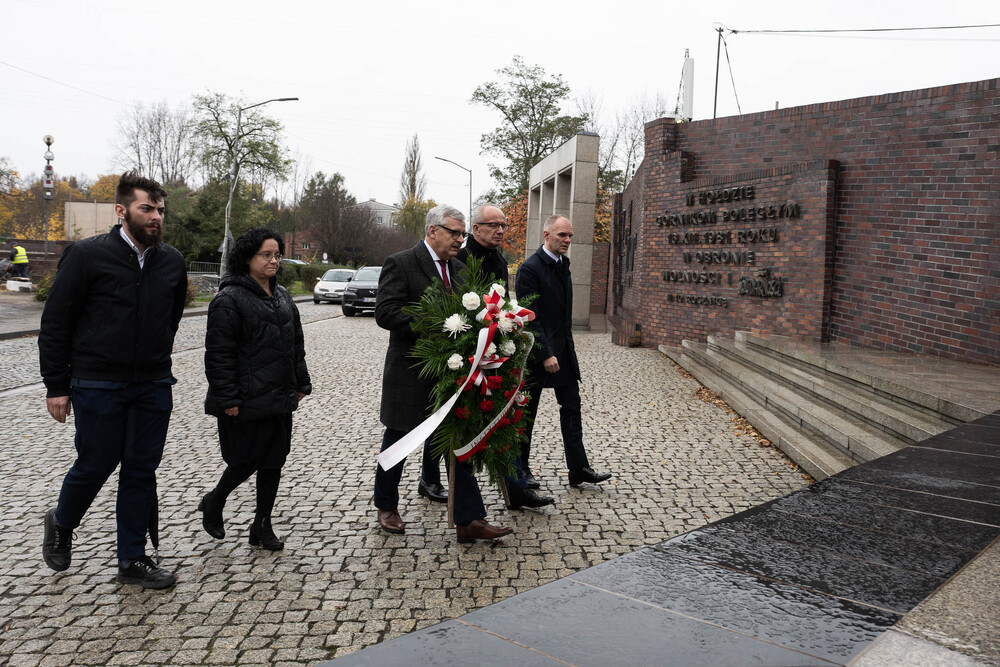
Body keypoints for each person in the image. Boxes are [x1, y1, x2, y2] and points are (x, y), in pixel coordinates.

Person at [38, 171, 187, 589]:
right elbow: (56, 323)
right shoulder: (87, 255)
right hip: (98, 383)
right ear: (121, 211)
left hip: (153, 385)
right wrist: (57, 386)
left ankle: (132, 559)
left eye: (160, 210)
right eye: (147, 208)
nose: (156, 216)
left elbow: (170, 319)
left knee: (141, 470)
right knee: (96, 463)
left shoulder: (171, 261)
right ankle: (62, 520)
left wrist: (155, 358)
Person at [374, 204, 513, 542]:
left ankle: (469, 519)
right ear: (433, 230)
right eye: (454, 232)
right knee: (400, 438)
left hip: (454, 375)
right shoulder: (402, 262)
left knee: (458, 442)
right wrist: (440, 324)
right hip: (412, 371)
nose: (459, 239)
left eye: (463, 233)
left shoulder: (462, 270)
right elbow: (386, 312)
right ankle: (386, 505)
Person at [200, 228, 311, 552]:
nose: (274, 260)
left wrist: (301, 382)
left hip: (278, 394)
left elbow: (296, 343)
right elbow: (218, 354)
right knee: (244, 459)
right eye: (267, 255)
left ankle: (262, 524)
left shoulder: (283, 295)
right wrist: (228, 398)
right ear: (248, 257)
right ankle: (214, 500)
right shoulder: (228, 299)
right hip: (245, 398)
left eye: (277, 255)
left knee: (274, 460)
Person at [457, 204, 554, 511]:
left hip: (497, 349)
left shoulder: (499, 259)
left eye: (503, 225)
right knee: (456, 421)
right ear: (476, 228)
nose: (500, 230)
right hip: (466, 351)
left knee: (505, 417)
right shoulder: (460, 259)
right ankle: (430, 477)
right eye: (493, 225)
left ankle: (516, 488)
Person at [515, 214, 612, 488]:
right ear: (547, 235)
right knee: (527, 413)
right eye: (561, 235)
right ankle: (522, 470)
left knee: (572, 407)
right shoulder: (530, 269)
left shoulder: (563, 264)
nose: (567, 240)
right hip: (537, 355)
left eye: (569, 235)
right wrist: (545, 353)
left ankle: (578, 468)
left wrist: (562, 351)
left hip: (564, 352)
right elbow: (528, 316)